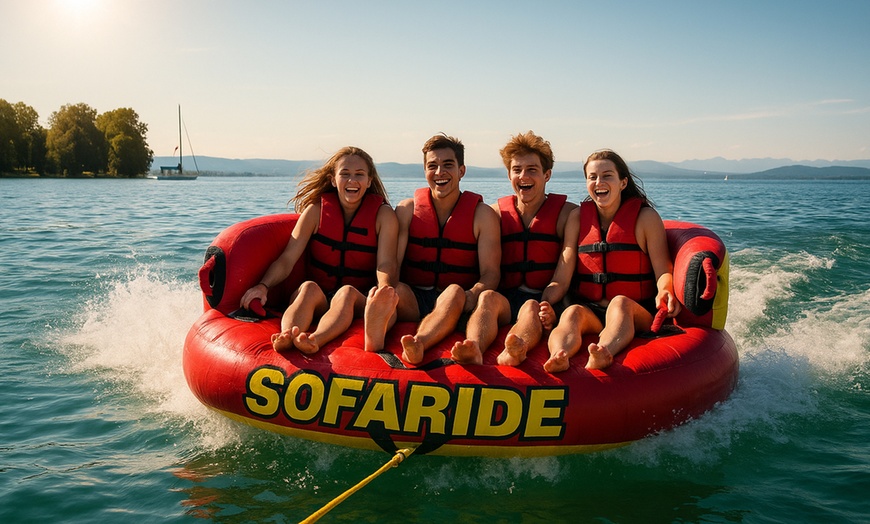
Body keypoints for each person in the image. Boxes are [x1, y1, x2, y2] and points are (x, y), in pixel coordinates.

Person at [239, 146, 399, 354]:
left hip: (358, 300)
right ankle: (287, 335)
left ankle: (316, 339)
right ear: (333, 179)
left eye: (359, 174)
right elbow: (287, 259)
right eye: (345, 174)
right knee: (307, 288)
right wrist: (263, 286)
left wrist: (384, 292)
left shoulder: (383, 216)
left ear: (369, 181)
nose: (352, 180)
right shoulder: (315, 212)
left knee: (347, 293)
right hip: (321, 298)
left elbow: (386, 263)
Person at [544, 149, 681, 372]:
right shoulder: (578, 219)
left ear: (623, 182)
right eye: (592, 177)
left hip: (636, 311)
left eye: (607, 175)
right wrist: (546, 303)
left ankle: (604, 351)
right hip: (593, 310)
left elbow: (663, 270)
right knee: (572, 313)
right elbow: (562, 275)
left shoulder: (645, 218)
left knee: (620, 303)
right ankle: (558, 355)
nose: (599, 182)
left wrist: (666, 290)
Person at [450, 131, 578, 366]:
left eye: (532, 169)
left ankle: (516, 349)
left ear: (546, 175)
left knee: (530, 307)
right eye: (517, 170)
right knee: (487, 297)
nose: (523, 176)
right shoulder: (495, 214)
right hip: (506, 299)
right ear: (509, 174)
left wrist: (547, 303)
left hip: (546, 297)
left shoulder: (567, 215)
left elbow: (563, 272)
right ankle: (474, 347)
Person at [394, 133, 501, 366]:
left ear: (462, 170)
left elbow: (491, 273)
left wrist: (472, 295)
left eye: (448, 165)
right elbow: (393, 265)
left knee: (453, 291)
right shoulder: (406, 210)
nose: (440, 172)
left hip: (456, 302)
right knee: (396, 288)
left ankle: (419, 342)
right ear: (424, 170)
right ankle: (368, 353)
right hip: (413, 299)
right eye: (432, 166)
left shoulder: (482, 215)